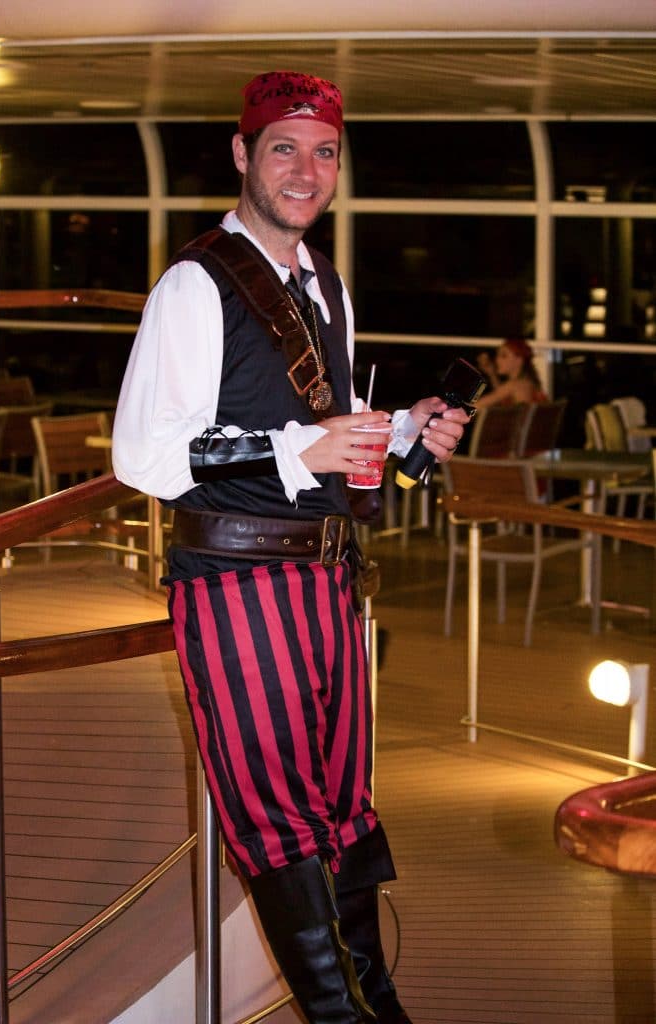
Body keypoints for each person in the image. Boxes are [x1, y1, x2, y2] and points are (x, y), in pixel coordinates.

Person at [112, 69, 468, 1024]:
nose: (306, 170)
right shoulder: (195, 282)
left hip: (326, 578)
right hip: (233, 582)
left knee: (340, 807)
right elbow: (143, 454)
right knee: (276, 818)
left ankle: (374, 1006)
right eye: (284, 148)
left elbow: (323, 431)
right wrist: (299, 444)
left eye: (324, 152)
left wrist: (400, 434)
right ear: (242, 155)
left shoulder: (324, 285)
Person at [475, 338, 548, 408]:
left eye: (504, 356)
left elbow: (476, 406)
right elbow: (502, 394)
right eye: (498, 355)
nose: (497, 359)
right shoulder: (526, 382)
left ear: (519, 360)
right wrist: (492, 374)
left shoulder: (515, 385)